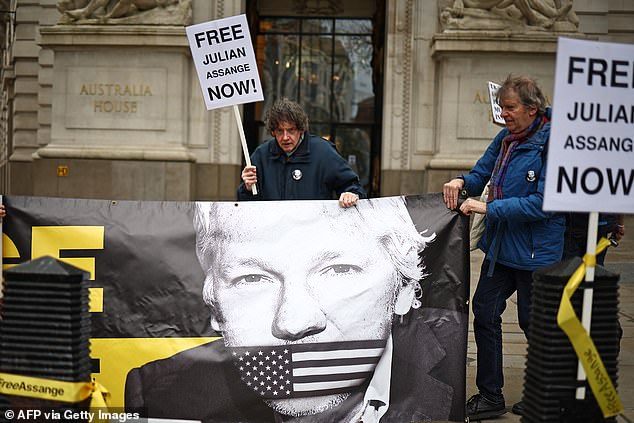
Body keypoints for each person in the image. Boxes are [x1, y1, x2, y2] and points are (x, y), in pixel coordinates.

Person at [125, 197, 467, 422]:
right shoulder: (161, 394)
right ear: (215, 307)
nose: (293, 322)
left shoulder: (451, 362)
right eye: (252, 278)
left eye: (339, 270)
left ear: (403, 289)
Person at [443, 75, 565, 420]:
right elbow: (480, 172)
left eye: (509, 108)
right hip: (500, 250)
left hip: (536, 253)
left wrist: (488, 208)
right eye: (501, 108)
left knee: (534, 323)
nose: (503, 114)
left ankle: (547, 394)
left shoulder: (553, 144)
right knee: (483, 312)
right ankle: (490, 395)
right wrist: (461, 181)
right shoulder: (506, 138)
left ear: (531, 108)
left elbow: (545, 204)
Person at [238, 97, 365, 208]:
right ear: (273, 132)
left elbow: (353, 186)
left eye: (291, 130)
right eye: (280, 131)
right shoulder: (261, 155)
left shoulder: (323, 152)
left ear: (301, 130)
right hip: (273, 233)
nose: (285, 137)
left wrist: (350, 194)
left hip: (313, 231)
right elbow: (246, 207)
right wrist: (248, 189)